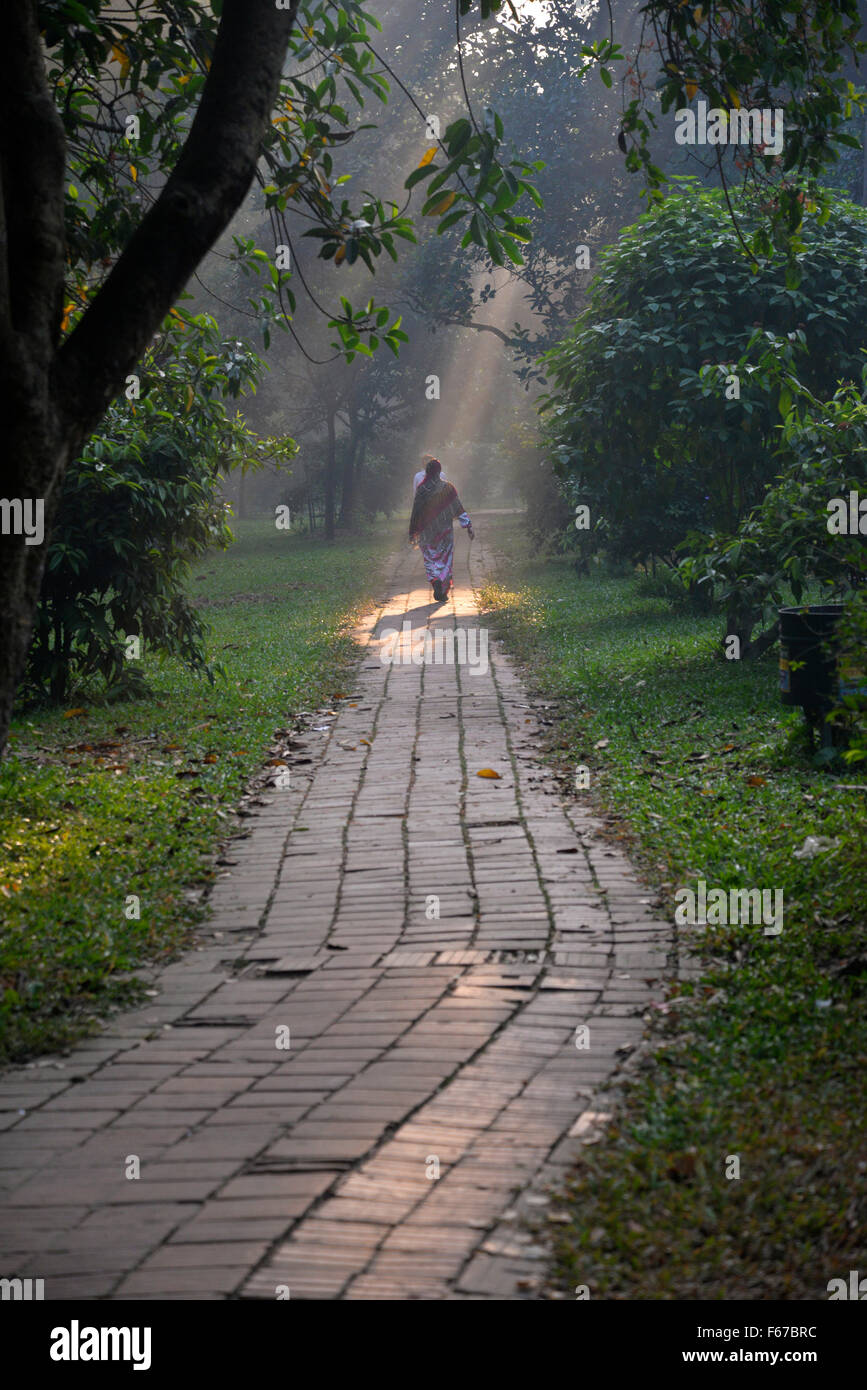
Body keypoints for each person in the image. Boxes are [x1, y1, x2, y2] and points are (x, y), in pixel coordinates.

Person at [409, 456, 474, 603]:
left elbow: (416, 511)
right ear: (439, 471)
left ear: (427, 471)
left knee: (430, 558)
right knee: (445, 558)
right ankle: (443, 587)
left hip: (426, 532)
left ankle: (434, 580)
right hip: (445, 531)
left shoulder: (422, 489)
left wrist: (413, 531)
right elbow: (458, 507)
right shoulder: (448, 488)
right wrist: (468, 526)